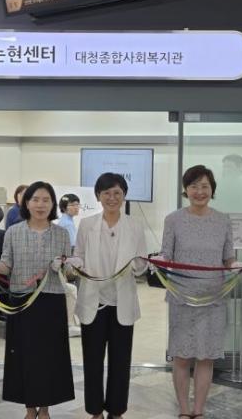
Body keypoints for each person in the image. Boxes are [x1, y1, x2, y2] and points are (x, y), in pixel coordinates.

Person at [0, 181, 75, 419]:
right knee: (24, 354)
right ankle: (30, 408)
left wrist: (66, 265)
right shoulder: (14, 232)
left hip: (52, 301)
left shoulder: (61, 234)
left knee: (49, 355)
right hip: (22, 301)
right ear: (27, 203)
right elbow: (6, 266)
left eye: (46, 200)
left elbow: (68, 272)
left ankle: (45, 408)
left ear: (53, 204)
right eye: (35, 199)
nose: (40, 205)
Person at [160, 165, 234, 419]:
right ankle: (184, 410)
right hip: (182, 297)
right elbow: (166, 255)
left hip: (213, 298)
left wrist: (241, 267)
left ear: (212, 189)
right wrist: (155, 262)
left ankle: (199, 410)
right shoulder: (173, 219)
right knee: (181, 356)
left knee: (206, 357)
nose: (199, 191)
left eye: (205, 186)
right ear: (186, 190)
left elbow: (228, 258)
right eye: (194, 186)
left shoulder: (223, 220)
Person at [74, 172, 148, 419]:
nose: (112, 197)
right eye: (106, 193)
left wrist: (140, 264)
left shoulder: (135, 225)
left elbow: (141, 264)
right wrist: (74, 264)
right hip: (93, 302)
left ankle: (116, 411)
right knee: (92, 360)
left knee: (120, 361)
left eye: (117, 192)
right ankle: (95, 411)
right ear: (98, 196)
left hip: (122, 303)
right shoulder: (87, 225)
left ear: (124, 195)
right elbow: (79, 256)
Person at [57, 193, 82, 337]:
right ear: (65, 207)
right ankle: (77, 317)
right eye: (73, 205)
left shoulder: (67, 221)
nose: (76, 207)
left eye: (77, 204)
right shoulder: (67, 224)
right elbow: (72, 249)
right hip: (67, 264)